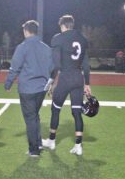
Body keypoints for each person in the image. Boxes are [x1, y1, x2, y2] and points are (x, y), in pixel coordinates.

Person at [42, 15, 91, 155]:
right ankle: (78, 146)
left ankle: (51, 141)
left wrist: (52, 80)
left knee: (55, 108)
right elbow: (86, 65)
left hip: (65, 78)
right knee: (77, 112)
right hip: (78, 78)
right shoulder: (82, 38)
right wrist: (87, 83)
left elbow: (57, 64)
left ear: (62, 25)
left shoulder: (58, 38)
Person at [4, 20, 53, 157]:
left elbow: (15, 67)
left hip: (27, 89)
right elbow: (52, 69)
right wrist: (50, 85)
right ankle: (38, 143)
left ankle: (34, 150)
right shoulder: (46, 48)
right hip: (41, 88)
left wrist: (8, 83)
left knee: (30, 119)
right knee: (35, 116)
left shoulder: (22, 47)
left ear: (26, 31)